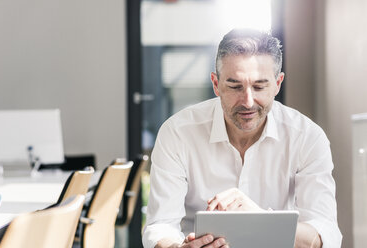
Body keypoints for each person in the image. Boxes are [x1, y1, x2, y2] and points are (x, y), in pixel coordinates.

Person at [142, 29, 342, 248]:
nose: (248, 101)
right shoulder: (177, 133)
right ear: (216, 84)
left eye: (259, 86)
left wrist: (259, 219)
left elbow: (325, 233)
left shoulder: (307, 137)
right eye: (235, 86)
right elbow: (160, 224)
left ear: (278, 84)